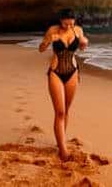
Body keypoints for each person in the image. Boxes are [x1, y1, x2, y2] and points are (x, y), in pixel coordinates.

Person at [38, 8, 89, 160]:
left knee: (66, 110)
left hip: (72, 71)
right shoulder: (52, 30)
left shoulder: (78, 30)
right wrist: (48, 41)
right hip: (56, 72)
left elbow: (82, 48)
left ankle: (61, 142)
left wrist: (84, 43)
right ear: (60, 21)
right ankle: (63, 150)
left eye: (71, 24)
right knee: (59, 112)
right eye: (65, 25)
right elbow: (41, 49)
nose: (68, 27)